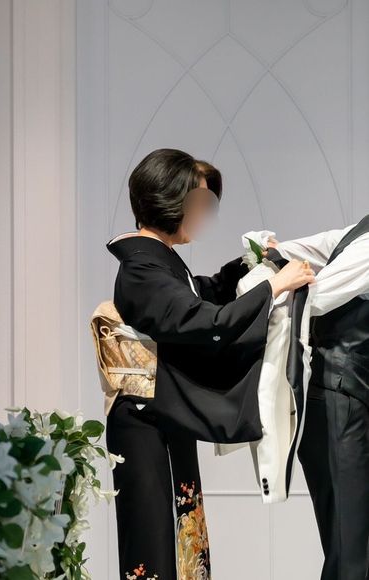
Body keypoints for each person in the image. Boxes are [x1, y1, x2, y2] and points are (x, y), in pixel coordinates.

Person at [105, 148, 315, 579]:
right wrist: (274, 286)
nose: (203, 215)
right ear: (170, 200)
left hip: (161, 416)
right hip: (144, 421)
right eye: (198, 203)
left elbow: (203, 292)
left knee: (184, 533)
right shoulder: (142, 269)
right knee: (154, 542)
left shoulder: (155, 262)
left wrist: (250, 264)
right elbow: (205, 321)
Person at [267, 216, 369, 580]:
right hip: (341, 397)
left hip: (340, 396)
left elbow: (287, 249)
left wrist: (274, 252)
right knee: (351, 551)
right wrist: (277, 265)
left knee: (351, 547)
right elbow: (317, 296)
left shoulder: (355, 234)